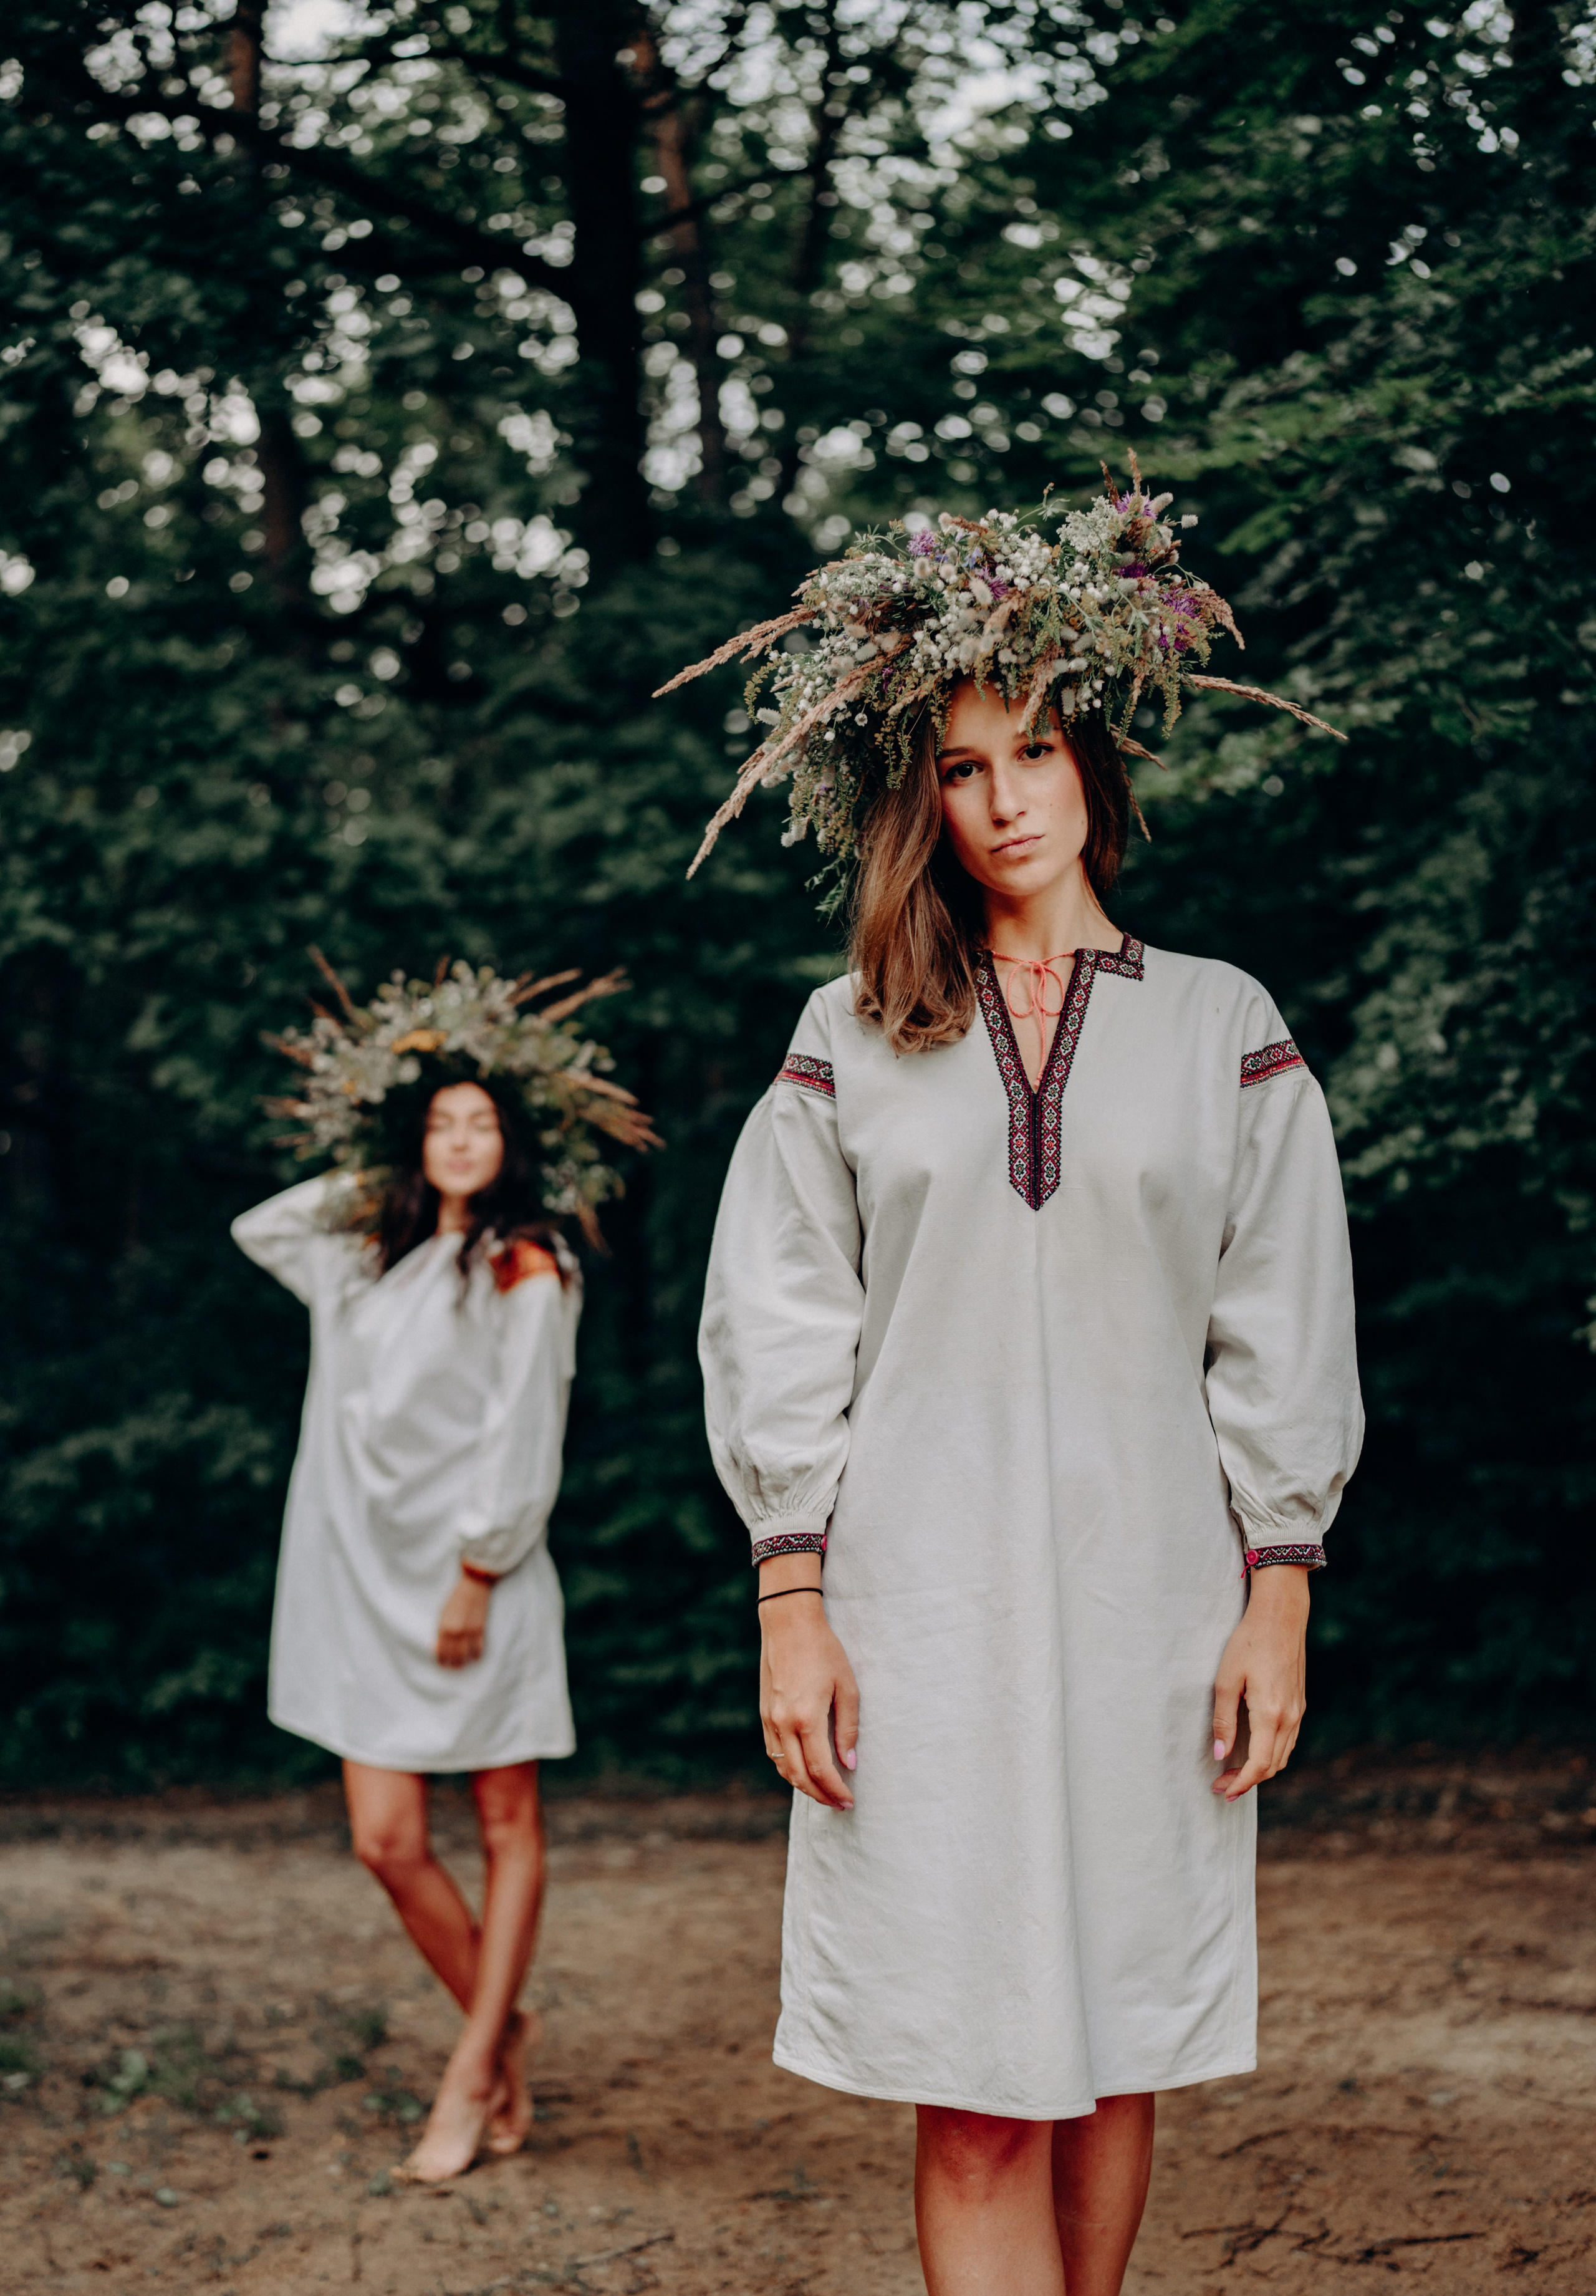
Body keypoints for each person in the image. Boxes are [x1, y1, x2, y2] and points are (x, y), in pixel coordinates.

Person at [668, 481, 1362, 2294]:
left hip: (1152, 1604)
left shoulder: (1223, 1024)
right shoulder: (852, 1031)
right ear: (921, 797)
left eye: (1034, 750)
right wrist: (793, 1600)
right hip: (915, 1615)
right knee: (972, 2084)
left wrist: (1277, 1591)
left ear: (1091, 760)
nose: (1002, 800)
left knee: (1115, 2047)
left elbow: (1283, 1326)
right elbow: (777, 1322)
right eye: (961, 769)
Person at [234, 959, 655, 2183]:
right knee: (385, 1839)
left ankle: (470, 2071)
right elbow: (263, 1225)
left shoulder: (528, 1264)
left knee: (506, 1820)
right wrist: (377, 1121)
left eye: (482, 1122)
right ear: (411, 1143)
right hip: (361, 1579)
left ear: (514, 1143)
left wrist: (480, 1566)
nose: (461, 1139)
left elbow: (524, 1427)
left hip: (477, 1577)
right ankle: (504, 2022)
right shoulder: (365, 1254)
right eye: (439, 1122)